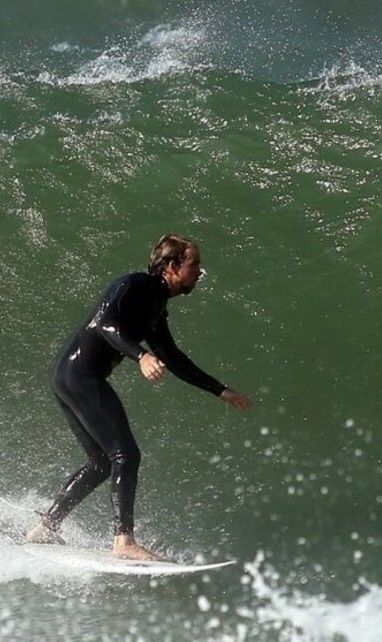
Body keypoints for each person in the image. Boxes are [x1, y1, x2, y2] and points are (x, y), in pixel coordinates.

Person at [26, 234, 252, 560]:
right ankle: (124, 542)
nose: (199, 273)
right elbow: (103, 322)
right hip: (79, 375)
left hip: (68, 375)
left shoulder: (156, 308)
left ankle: (46, 527)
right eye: (194, 265)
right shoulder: (133, 285)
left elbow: (173, 357)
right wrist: (140, 356)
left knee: (102, 462)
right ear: (172, 267)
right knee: (125, 455)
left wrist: (221, 390)